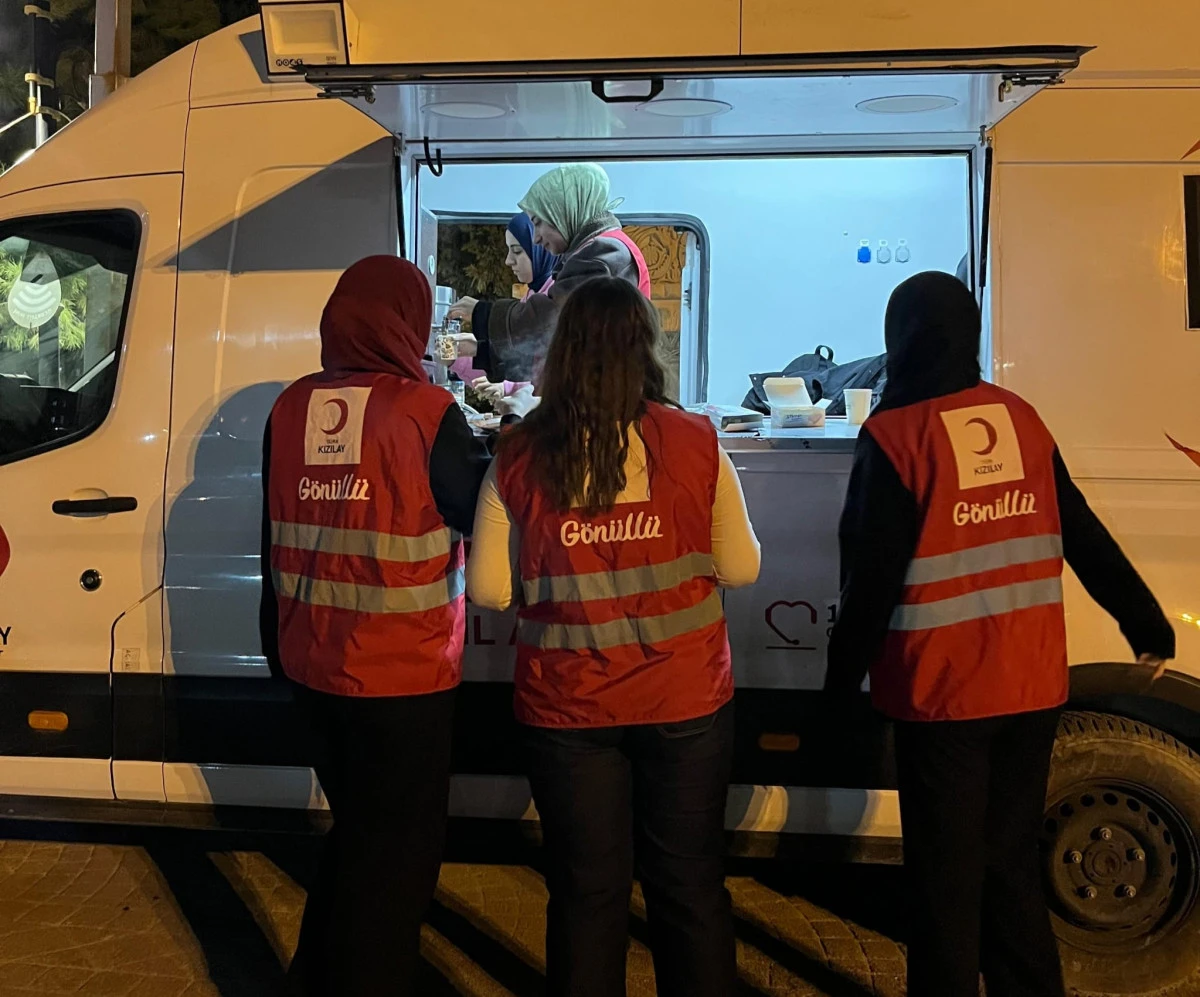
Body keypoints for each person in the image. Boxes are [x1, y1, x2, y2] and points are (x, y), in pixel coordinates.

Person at [824, 270, 1176, 997]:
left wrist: (838, 687)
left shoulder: (895, 435)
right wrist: (1144, 621)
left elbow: (870, 578)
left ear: (900, 338)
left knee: (944, 881)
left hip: (944, 694)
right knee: (1009, 864)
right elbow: (1080, 529)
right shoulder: (1018, 417)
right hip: (1031, 685)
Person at [466, 277, 760, 997]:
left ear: (563, 350)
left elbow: (489, 591)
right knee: (688, 888)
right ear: (644, 349)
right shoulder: (696, 441)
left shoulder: (517, 452)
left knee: (586, 893)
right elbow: (740, 569)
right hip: (685, 699)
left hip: (568, 707)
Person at [260, 255, 490, 996]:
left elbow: (271, 537)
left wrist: (279, 651)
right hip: (402, 680)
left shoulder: (289, 408)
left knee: (358, 835)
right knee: (397, 867)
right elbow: (477, 508)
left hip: (309, 667)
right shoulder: (426, 412)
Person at [447, 163, 652, 383]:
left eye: (538, 223)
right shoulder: (602, 249)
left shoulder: (604, 251)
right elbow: (554, 349)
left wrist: (483, 313)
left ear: (561, 212)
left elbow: (553, 321)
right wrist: (482, 352)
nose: (536, 238)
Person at [451, 212, 558, 398]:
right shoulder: (532, 294)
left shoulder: (554, 299)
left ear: (540, 247)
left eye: (517, 251)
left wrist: (508, 387)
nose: (508, 261)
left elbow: (545, 367)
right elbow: (520, 359)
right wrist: (460, 356)